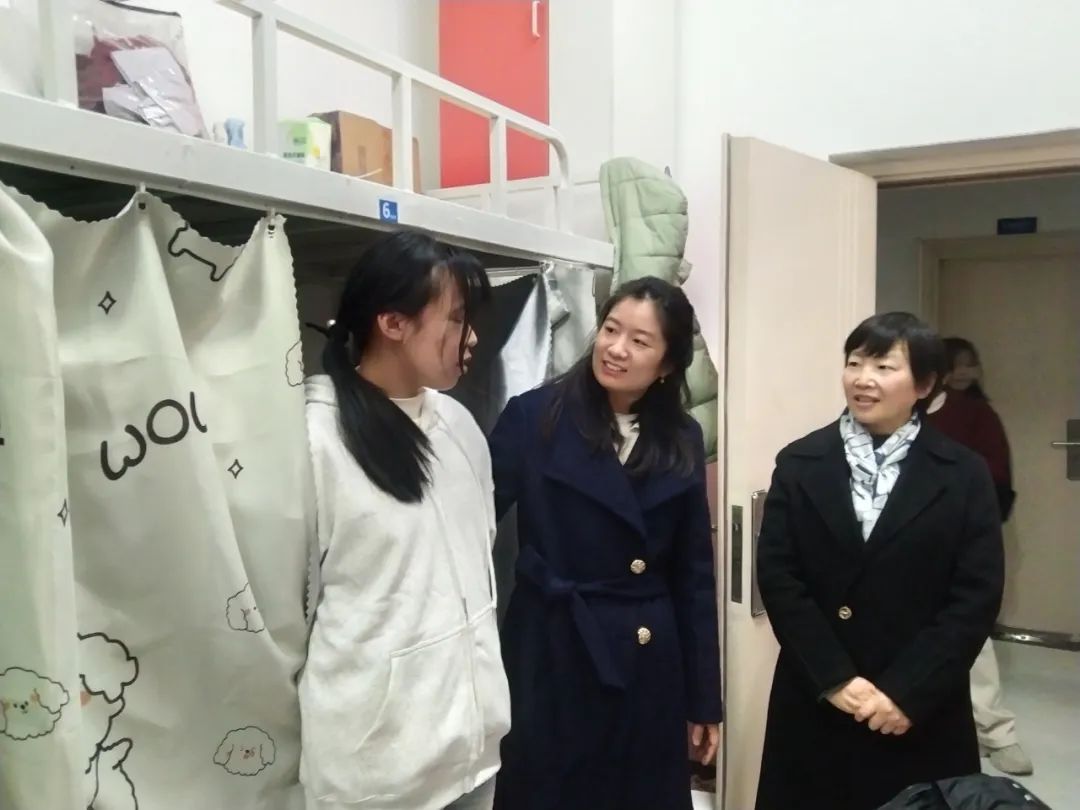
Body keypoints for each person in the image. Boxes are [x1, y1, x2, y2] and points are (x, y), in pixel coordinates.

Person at [754, 312, 1005, 810]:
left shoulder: (963, 473)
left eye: (884, 367)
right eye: (855, 363)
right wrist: (835, 678)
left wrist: (907, 692)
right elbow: (779, 575)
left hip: (919, 709)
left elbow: (975, 595)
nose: (863, 379)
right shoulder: (800, 462)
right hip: (818, 697)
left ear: (925, 385)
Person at [488, 277, 722, 810]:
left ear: (667, 364)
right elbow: (470, 529)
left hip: (646, 658)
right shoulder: (533, 416)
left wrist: (704, 699)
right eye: (611, 330)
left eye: (639, 341)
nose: (616, 348)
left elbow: (693, 573)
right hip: (552, 645)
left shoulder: (682, 435)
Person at [298, 231, 511, 810]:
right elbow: (285, 616)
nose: (472, 338)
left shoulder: (459, 426)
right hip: (376, 777)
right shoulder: (316, 441)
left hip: (471, 759)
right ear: (392, 323)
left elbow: (477, 566)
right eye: (456, 319)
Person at [926, 336, 1032, 776]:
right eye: (956, 365)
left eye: (971, 364)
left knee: (971, 636)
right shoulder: (905, 412)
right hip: (903, 541)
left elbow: (997, 476)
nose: (963, 373)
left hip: (957, 534)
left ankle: (996, 732)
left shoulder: (975, 414)